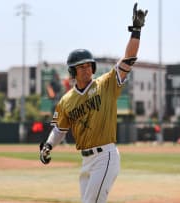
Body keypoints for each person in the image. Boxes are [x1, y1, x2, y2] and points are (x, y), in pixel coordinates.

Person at [39, 3, 147, 203]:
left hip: (105, 156)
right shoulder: (66, 100)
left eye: (89, 65)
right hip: (86, 160)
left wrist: (136, 31)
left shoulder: (105, 84)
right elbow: (59, 130)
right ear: (72, 72)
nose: (87, 70)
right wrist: (48, 145)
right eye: (81, 67)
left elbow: (128, 60)